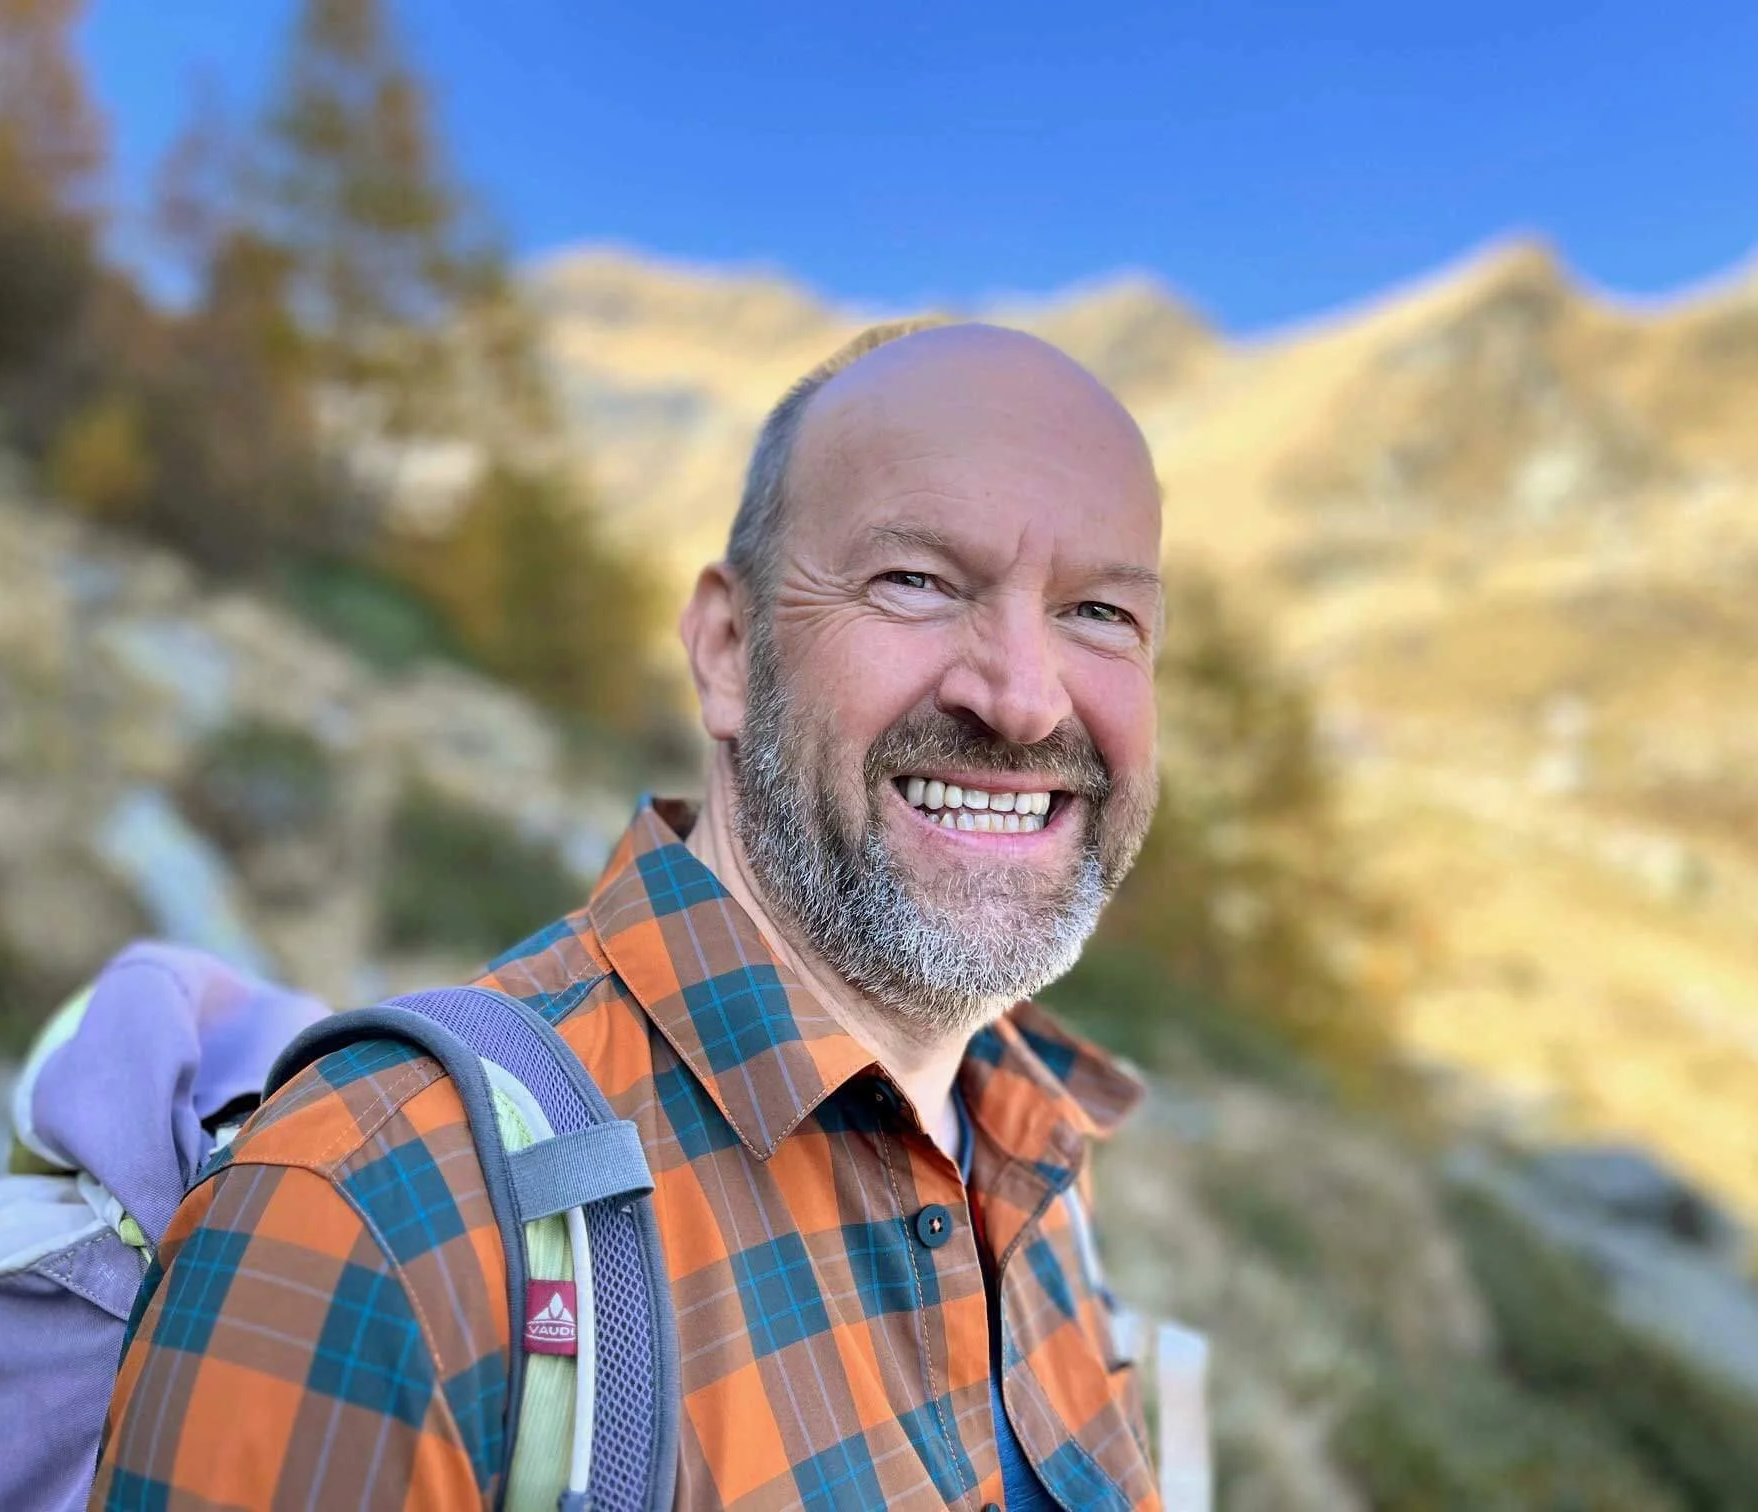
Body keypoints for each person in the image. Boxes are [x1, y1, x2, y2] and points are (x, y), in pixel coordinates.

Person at [93, 319, 1167, 1510]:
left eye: (1101, 614)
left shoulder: (1036, 1158)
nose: (1023, 699)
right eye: (915, 581)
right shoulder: (380, 1212)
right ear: (725, 649)